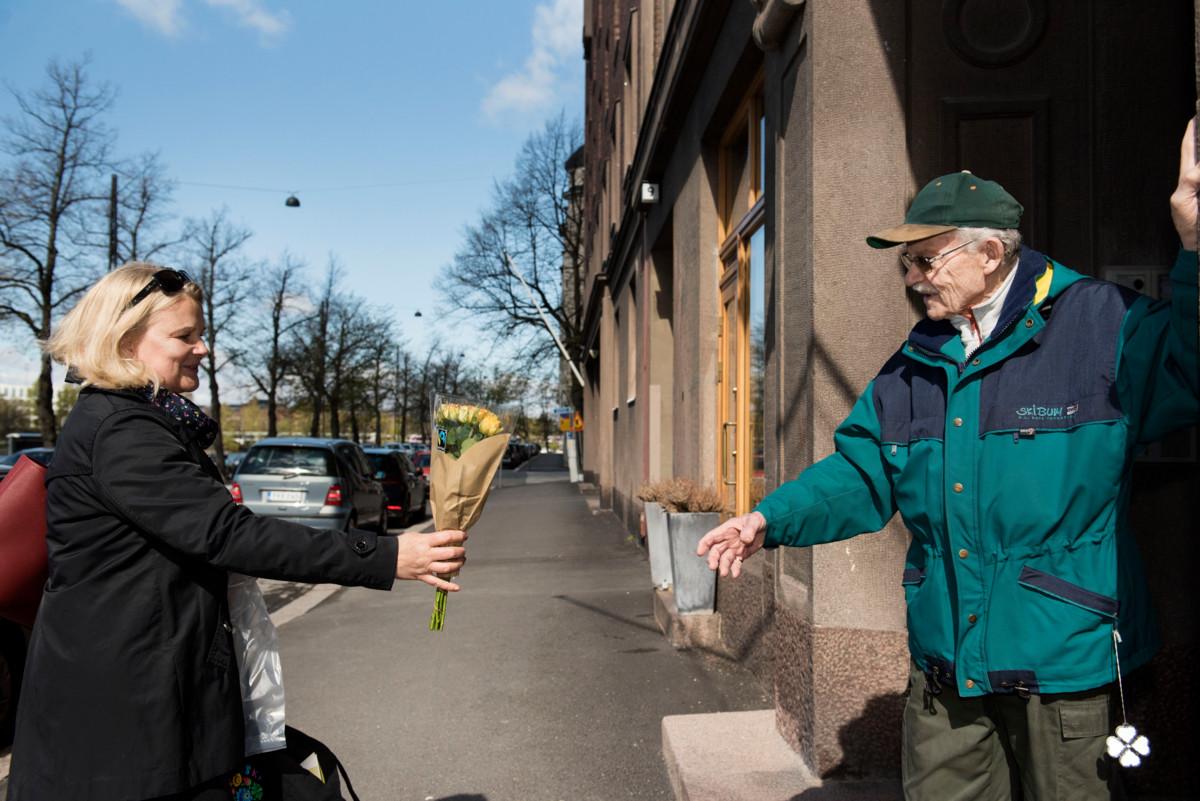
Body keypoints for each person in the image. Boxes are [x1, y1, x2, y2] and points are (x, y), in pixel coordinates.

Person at [699, 123, 1200, 800]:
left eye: (924, 260)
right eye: (907, 263)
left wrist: (1195, 243)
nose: (910, 278)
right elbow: (860, 471)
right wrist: (768, 517)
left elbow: (1191, 367)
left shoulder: (1100, 324)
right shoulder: (914, 364)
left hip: (1071, 671)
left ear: (990, 253)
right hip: (947, 673)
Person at [6, 263, 469, 801]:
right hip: (128, 713)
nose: (202, 348)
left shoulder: (136, 420)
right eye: (185, 336)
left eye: (201, 333)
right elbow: (229, 534)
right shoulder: (123, 429)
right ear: (124, 341)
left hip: (143, 694)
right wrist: (387, 557)